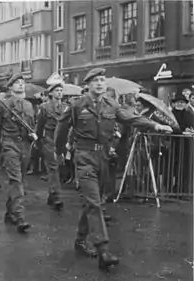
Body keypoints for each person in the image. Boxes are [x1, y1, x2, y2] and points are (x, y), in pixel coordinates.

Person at [54, 68, 172, 269]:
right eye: (96, 81)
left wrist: (155, 126)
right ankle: (103, 250)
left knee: (95, 201)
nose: (100, 84)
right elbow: (61, 129)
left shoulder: (111, 105)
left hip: (103, 157)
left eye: (102, 80)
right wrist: (60, 153)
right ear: (88, 85)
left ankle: (80, 240)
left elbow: (131, 118)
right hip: (83, 157)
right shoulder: (76, 105)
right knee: (93, 202)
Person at [0, 73, 36, 233]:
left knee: (19, 179)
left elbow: (31, 125)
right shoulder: (3, 105)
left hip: (25, 145)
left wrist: (33, 134)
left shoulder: (29, 106)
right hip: (9, 144)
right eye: (17, 83)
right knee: (16, 180)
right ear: (10, 87)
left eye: (23, 83)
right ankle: (19, 215)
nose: (21, 85)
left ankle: (10, 211)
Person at [36, 83, 65, 210]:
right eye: (57, 91)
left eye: (61, 90)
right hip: (49, 139)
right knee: (53, 167)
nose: (59, 93)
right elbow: (39, 126)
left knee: (58, 167)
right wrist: (37, 141)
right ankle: (57, 195)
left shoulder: (66, 108)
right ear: (51, 93)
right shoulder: (44, 107)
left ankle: (52, 194)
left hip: (62, 141)